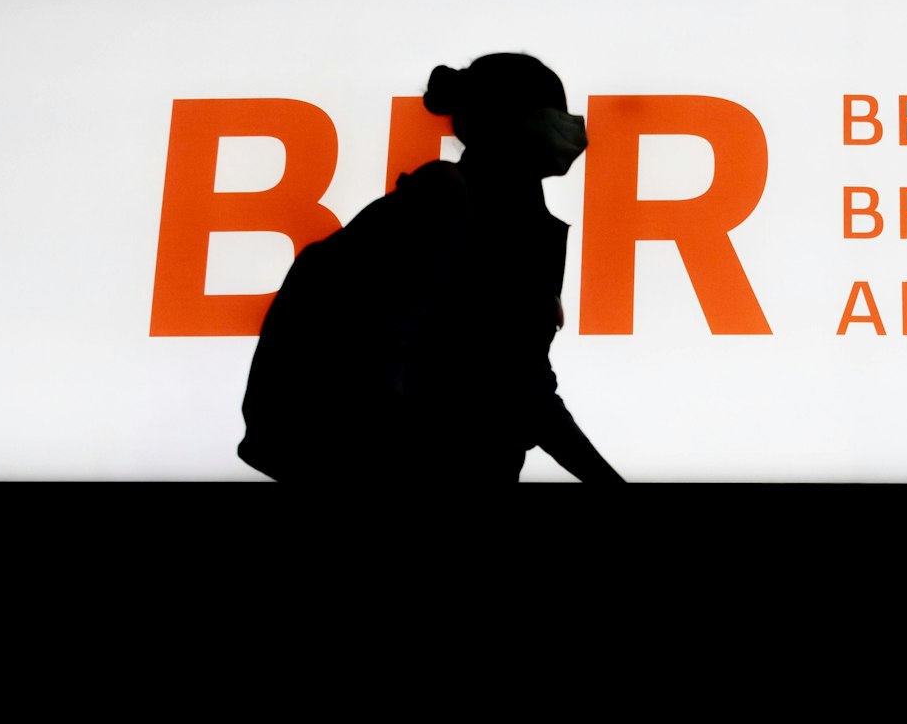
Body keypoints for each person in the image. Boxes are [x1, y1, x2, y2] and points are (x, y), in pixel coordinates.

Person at [237, 52, 624, 483]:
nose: (570, 129)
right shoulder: (448, 209)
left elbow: (522, 383)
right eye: (553, 115)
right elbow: (513, 385)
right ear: (510, 122)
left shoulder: (520, 225)